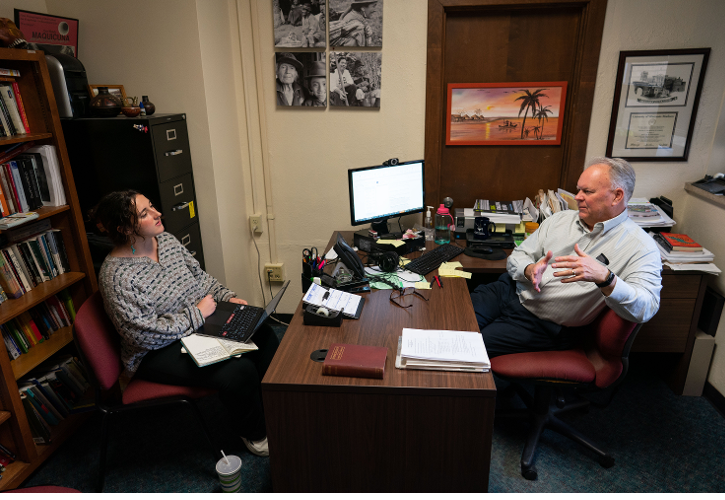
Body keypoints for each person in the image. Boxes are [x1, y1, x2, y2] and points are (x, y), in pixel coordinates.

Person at [92, 190, 279, 457]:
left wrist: (227, 297)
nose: (157, 213)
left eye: (152, 206)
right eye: (145, 214)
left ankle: (276, 409)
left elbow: (200, 279)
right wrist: (197, 315)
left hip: (196, 325)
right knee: (238, 371)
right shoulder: (117, 276)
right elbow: (142, 335)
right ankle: (256, 433)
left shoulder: (166, 241)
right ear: (124, 229)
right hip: (155, 351)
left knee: (264, 335)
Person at [470, 157, 662, 359]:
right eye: (578, 190)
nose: (577, 197)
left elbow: (647, 307)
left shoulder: (641, 247)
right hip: (506, 291)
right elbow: (519, 255)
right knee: (452, 324)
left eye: (587, 191)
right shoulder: (560, 219)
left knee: (468, 349)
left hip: (542, 325)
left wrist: (605, 278)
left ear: (617, 196)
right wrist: (529, 269)